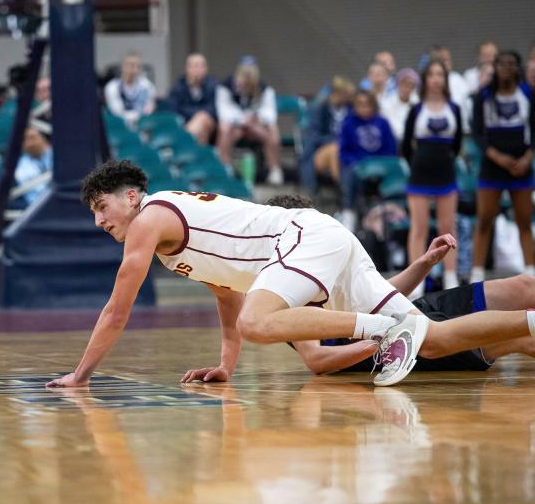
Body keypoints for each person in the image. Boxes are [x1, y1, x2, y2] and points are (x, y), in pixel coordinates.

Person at [43, 160, 535, 389]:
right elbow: (226, 298)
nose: (99, 220)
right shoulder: (175, 245)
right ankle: (529, 320)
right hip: (323, 239)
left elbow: (116, 310)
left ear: (130, 197)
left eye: (101, 207)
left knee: (258, 324)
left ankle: (385, 330)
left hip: (303, 237)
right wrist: (226, 367)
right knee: (434, 341)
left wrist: (82, 375)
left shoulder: (148, 219)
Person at [265, 193, 535, 373]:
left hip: (408, 312)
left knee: (523, 287)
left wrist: (423, 264)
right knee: (521, 340)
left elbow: (380, 295)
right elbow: (316, 360)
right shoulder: (286, 286)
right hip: (396, 341)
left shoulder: (322, 258)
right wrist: (380, 341)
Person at [470, 50, 534, 283]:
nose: (508, 68)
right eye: (503, 64)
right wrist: (497, 157)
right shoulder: (483, 96)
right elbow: (477, 133)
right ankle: (477, 273)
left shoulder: (528, 93)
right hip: (492, 167)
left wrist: (528, 157)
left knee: (524, 220)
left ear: (518, 68)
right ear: (495, 67)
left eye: (512, 64)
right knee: (485, 219)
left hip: (521, 167)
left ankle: (530, 272)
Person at [401, 60, 463, 297]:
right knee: (419, 228)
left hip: (446, 172)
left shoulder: (454, 108)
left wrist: (443, 160)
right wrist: (418, 163)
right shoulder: (416, 109)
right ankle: (414, 282)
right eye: (432, 74)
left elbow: (457, 144)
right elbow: (406, 145)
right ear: (425, 79)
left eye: (440, 74)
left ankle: (450, 277)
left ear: (445, 79)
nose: (436, 79)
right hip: (420, 173)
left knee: (447, 227)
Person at [216, 57, 283, 185]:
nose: (247, 78)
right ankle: (225, 169)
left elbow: (270, 113)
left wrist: (257, 118)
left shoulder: (264, 89)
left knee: (273, 129)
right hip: (236, 128)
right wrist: (242, 120)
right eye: (244, 74)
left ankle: (274, 169)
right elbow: (224, 112)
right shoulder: (225, 87)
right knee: (224, 128)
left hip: (255, 127)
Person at [338, 90, 397, 231]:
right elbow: (344, 151)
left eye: (367, 104)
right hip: (358, 165)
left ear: (373, 105)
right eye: (360, 104)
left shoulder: (383, 122)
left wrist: (379, 163)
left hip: (380, 164)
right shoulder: (348, 123)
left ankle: (393, 214)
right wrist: (358, 163)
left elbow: (391, 149)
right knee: (349, 173)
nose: (364, 108)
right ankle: (349, 213)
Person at [299, 76, 354, 194]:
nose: (346, 98)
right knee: (335, 150)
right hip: (321, 150)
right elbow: (313, 137)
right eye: (342, 94)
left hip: (347, 150)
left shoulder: (351, 109)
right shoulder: (319, 108)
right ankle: (343, 192)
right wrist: (335, 141)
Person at [168, 53, 219, 145]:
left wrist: (198, 116)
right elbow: (173, 112)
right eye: (195, 66)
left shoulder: (213, 86)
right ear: (187, 69)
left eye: (201, 66)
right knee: (201, 127)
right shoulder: (177, 87)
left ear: (206, 69)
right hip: (186, 124)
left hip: (210, 124)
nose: (198, 70)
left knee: (203, 118)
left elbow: (214, 109)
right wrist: (196, 116)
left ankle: (187, 143)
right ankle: (200, 156)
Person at [103, 52, 157, 130]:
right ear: (123, 67)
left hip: (142, 126)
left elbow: (148, 111)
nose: (134, 69)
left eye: (138, 66)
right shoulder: (112, 87)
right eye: (131, 65)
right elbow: (117, 112)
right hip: (120, 127)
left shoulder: (147, 86)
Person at [11, 126, 53, 208]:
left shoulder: (61, 157)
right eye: (24, 140)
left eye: (32, 137)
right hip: (35, 210)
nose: (29, 144)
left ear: (43, 138)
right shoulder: (18, 167)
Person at [381, 67, 420, 141]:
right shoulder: (387, 103)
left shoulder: (418, 104)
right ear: (397, 85)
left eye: (410, 85)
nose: (406, 88)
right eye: (404, 84)